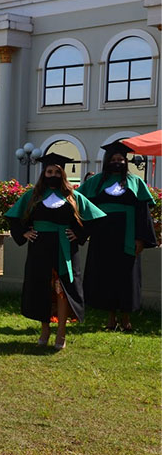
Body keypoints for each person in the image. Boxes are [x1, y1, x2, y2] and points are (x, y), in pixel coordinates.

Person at [4, 153, 105, 349]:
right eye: (49, 172)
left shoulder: (73, 197)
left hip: (65, 248)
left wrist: (79, 234)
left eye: (57, 172)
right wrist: (24, 232)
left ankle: (61, 333)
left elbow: (95, 218)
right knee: (42, 288)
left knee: (62, 291)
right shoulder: (32, 196)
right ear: (44, 173)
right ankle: (45, 330)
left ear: (63, 174)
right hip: (39, 249)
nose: (53, 175)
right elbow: (13, 217)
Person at [77, 141, 157, 332]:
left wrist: (140, 239)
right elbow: (79, 203)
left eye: (121, 159)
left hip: (128, 236)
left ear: (126, 161)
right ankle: (111, 318)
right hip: (102, 237)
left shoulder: (135, 182)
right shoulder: (96, 182)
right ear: (107, 161)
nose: (117, 162)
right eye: (113, 159)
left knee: (127, 277)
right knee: (106, 276)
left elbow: (143, 213)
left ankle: (126, 318)